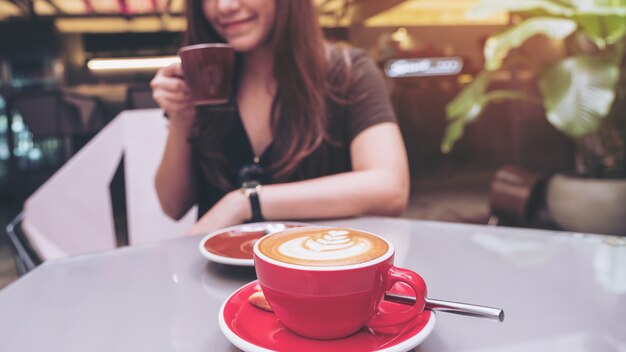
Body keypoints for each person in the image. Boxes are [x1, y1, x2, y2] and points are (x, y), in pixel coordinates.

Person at [151, 0, 410, 235]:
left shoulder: (349, 72)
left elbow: (389, 188)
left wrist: (245, 202)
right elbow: (173, 206)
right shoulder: (207, 79)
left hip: (317, 276)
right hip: (219, 279)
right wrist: (181, 116)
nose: (225, 6)